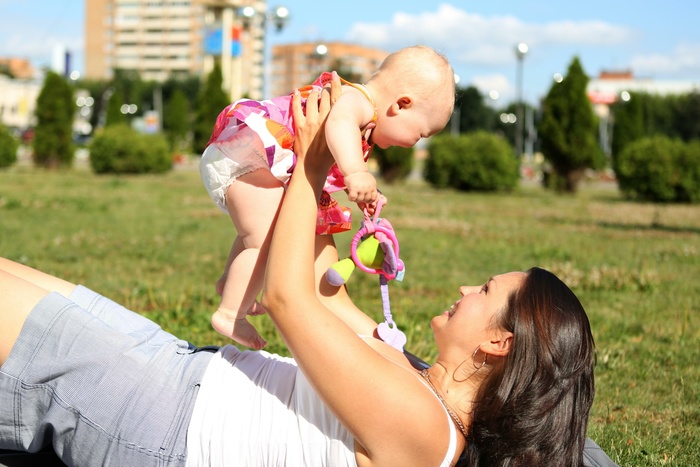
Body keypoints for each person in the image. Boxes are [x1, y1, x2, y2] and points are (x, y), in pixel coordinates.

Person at [0, 77, 603, 467]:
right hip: (178, 372)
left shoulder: (427, 434)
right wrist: (306, 173)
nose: (470, 288)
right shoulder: (419, 381)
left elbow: (289, 301)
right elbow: (323, 293)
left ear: (500, 342)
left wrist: (313, 166)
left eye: (488, 291)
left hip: (160, 418)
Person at [199, 45, 455, 349]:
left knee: (261, 232)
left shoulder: (363, 115)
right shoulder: (358, 101)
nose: (415, 143)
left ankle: (231, 284)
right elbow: (339, 123)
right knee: (268, 241)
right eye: (422, 134)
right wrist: (356, 173)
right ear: (401, 104)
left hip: (247, 158)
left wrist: (364, 190)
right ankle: (231, 314)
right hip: (248, 156)